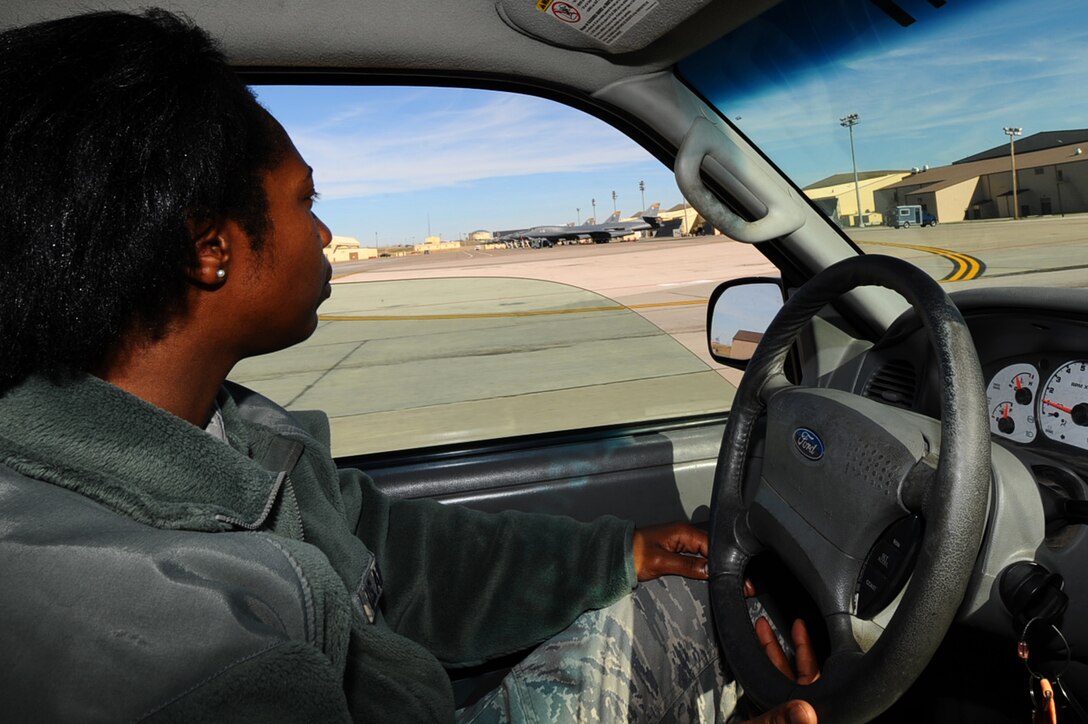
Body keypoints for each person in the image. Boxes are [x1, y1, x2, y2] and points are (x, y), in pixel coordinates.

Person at [0, 9, 816, 723]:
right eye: (304, 203)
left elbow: (390, 555)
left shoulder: (231, 429)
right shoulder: (184, 651)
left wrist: (622, 554)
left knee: (697, 606)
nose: (323, 237)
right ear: (210, 249)